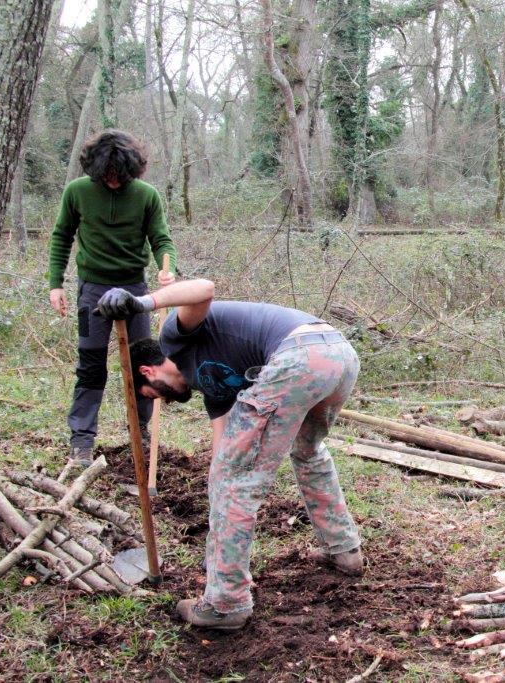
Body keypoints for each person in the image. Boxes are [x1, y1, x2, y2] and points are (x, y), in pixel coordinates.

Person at [95, 279, 363, 631]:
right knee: (307, 451)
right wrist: (218, 532)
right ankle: (343, 550)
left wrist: (141, 303)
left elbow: (204, 288)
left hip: (298, 355)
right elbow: (224, 456)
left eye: (150, 393)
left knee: (236, 482)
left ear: (148, 371)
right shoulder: (213, 387)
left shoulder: (175, 340)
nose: (158, 400)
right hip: (336, 356)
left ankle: (226, 604)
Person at [48, 130, 177, 463]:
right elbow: (61, 236)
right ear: (96, 169)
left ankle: (141, 433)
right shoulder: (77, 192)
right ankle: (81, 441)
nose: (114, 181)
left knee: (144, 364)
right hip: (91, 291)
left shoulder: (146, 196)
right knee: (91, 365)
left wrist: (168, 268)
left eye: (120, 175)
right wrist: (55, 284)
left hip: (135, 292)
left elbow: (161, 240)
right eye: (107, 175)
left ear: (132, 170)